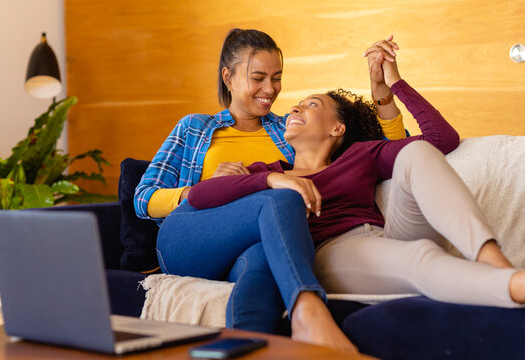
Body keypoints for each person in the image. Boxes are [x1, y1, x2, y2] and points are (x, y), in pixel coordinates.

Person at [160, 42, 525, 353]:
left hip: (387, 234)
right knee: (420, 258)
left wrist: (393, 82)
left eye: (311, 104)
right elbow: (204, 195)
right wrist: (270, 179)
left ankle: (494, 260)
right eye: (296, 104)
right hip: (334, 251)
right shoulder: (267, 170)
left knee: (415, 154)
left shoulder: (360, 155)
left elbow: (440, 140)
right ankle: (513, 285)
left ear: (337, 128)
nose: (295, 108)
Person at [135, 29, 404, 332]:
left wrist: (381, 89)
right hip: (203, 234)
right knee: (280, 198)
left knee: (264, 257)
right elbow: (144, 198)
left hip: (262, 241)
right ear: (228, 77)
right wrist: (204, 188)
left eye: (276, 77)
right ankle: (311, 315)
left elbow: (388, 147)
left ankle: (246, 345)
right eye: (258, 77)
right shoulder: (196, 128)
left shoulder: (291, 129)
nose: (270, 88)